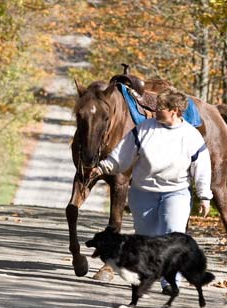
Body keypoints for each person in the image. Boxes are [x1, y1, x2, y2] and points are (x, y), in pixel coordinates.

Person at [91, 87, 212, 293]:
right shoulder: (144, 129)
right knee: (146, 238)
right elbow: (122, 156)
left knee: (173, 233)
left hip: (177, 191)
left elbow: (202, 167)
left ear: (174, 110)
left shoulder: (191, 136)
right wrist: (102, 167)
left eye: (161, 107)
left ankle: (169, 282)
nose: (155, 110)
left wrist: (204, 196)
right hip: (143, 191)